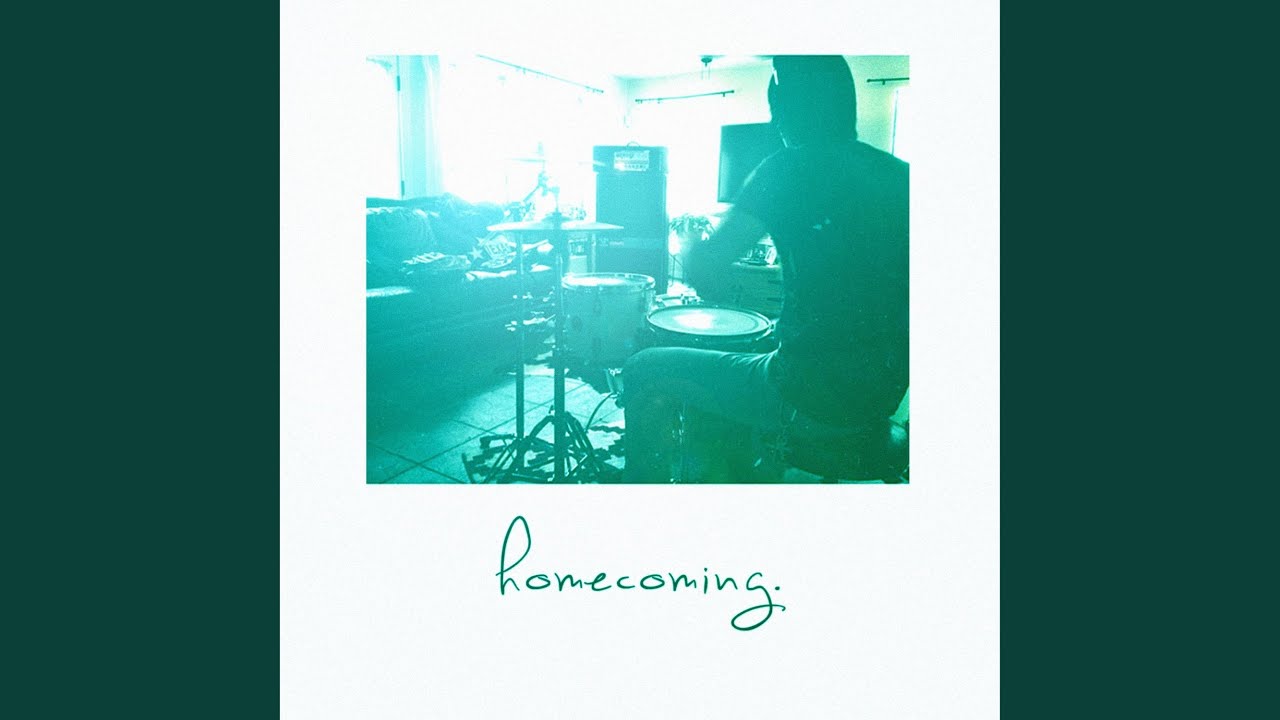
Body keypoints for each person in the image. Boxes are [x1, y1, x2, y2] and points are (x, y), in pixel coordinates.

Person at [620, 55, 909, 483]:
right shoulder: (902, 175)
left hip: (803, 393)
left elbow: (706, 269)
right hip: (880, 398)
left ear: (783, 108)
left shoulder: (786, 168)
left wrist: (689, 238)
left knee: (643, 367)